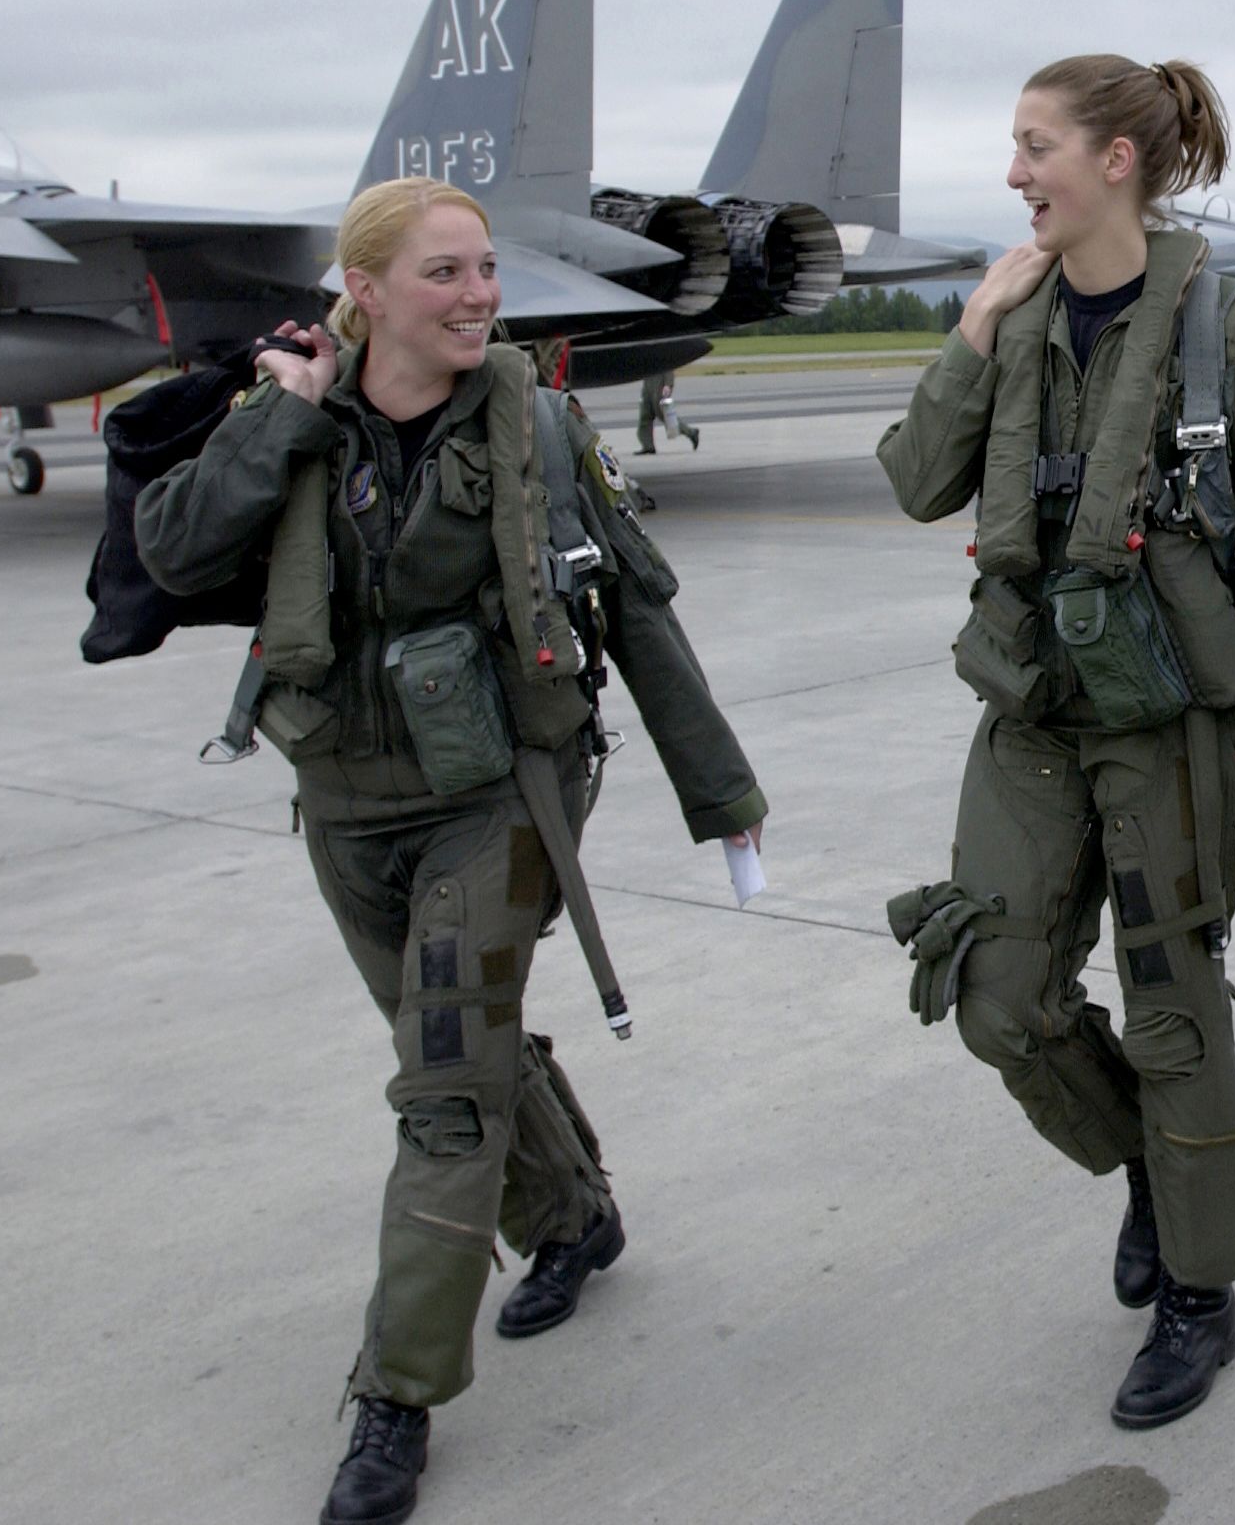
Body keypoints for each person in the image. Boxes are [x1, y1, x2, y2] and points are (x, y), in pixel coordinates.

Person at [137, 177, 767, 1525]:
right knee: (453, 1046)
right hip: (347, 799)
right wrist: (273, 422)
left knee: (442, 1092)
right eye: (446, 274)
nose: (480, 295)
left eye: (485, 270)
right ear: (364, 293)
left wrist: (721, 793)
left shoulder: (534, 424)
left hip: (506, 791)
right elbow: (178, 551)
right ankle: (574, 1214)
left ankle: (394, 1398)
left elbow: (636, 606)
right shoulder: (296, 415)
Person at [875, 56, 1235, 1429]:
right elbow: (918, 484)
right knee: (997, 995)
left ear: (1117, 163)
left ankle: (1200, 1292)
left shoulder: (1231, 334)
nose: (1017, 173)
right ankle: (1156, 1168)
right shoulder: (1018, 322)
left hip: (1176, 730)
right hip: (1033, 716)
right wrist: (973, 324)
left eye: (1036, 147)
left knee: (1172, 1006)